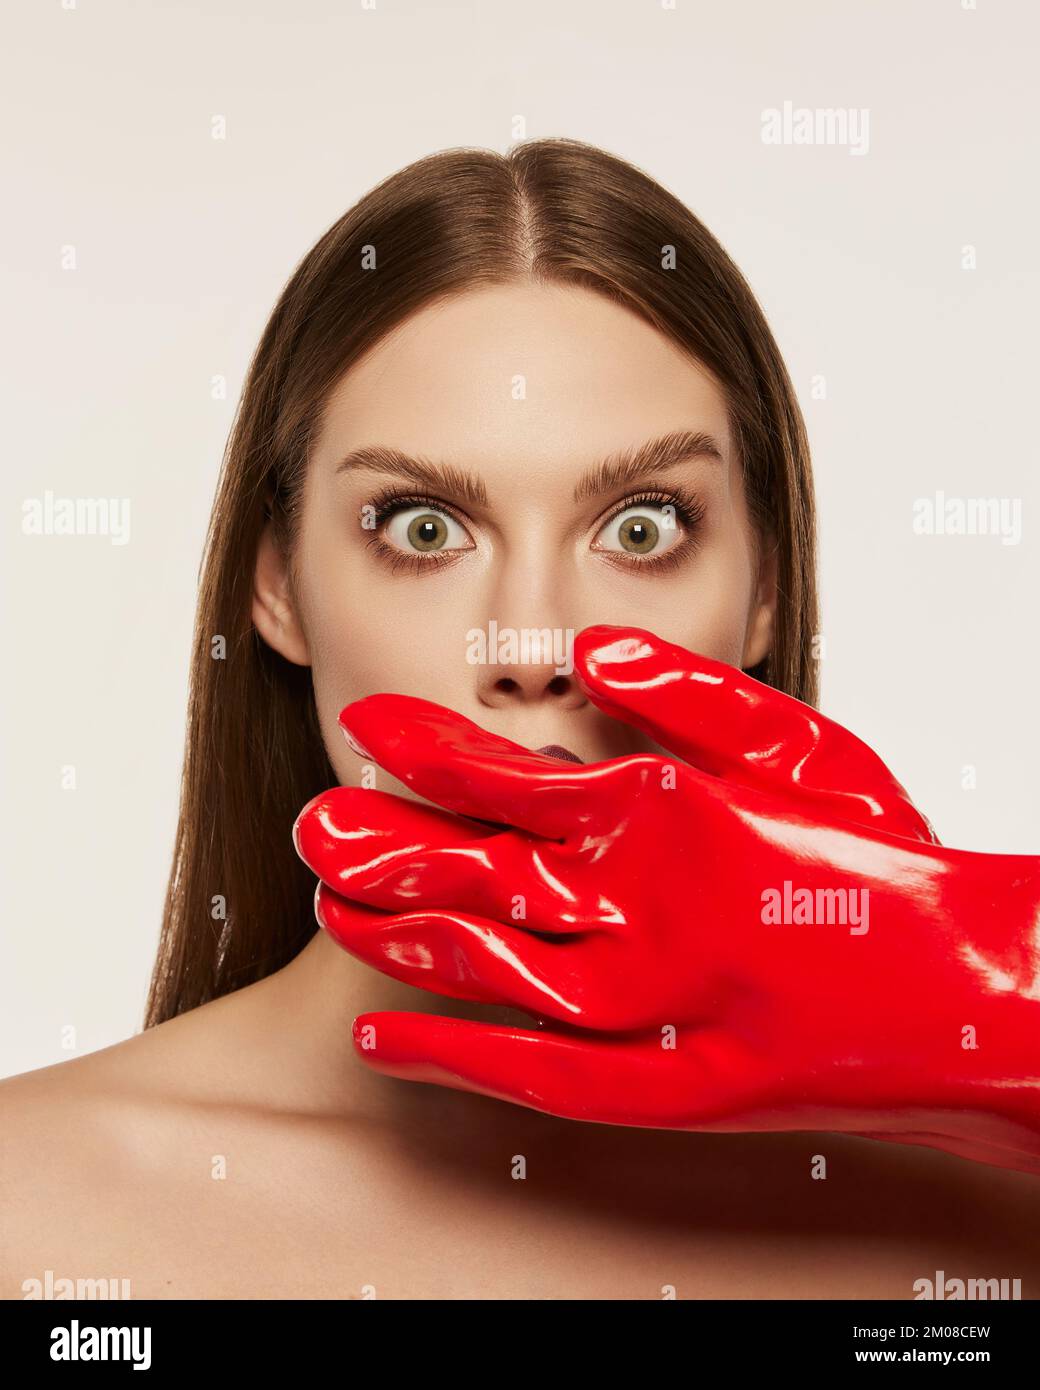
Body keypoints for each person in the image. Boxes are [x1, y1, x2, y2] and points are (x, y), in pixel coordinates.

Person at [3, 139, 1038, 1301]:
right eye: (423, 529)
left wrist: (1002, 991)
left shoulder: (986, 1220)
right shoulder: (26, 1208)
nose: (532, 648)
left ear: (762, 592)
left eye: (640, 528)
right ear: (279, 587)